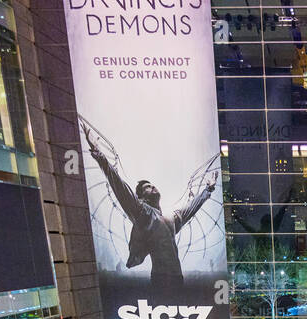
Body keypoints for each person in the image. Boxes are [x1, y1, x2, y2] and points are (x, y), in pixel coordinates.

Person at [83, 122, 216, 291]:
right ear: (141, 197)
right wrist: (98, 154)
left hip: (177, 279)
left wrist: (208, 189)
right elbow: (119, 186)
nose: (152, 187)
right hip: (161, 280)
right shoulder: (142, 213)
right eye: (147, 187)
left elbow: (192, 207)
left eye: (152, 185)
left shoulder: (172, 218)